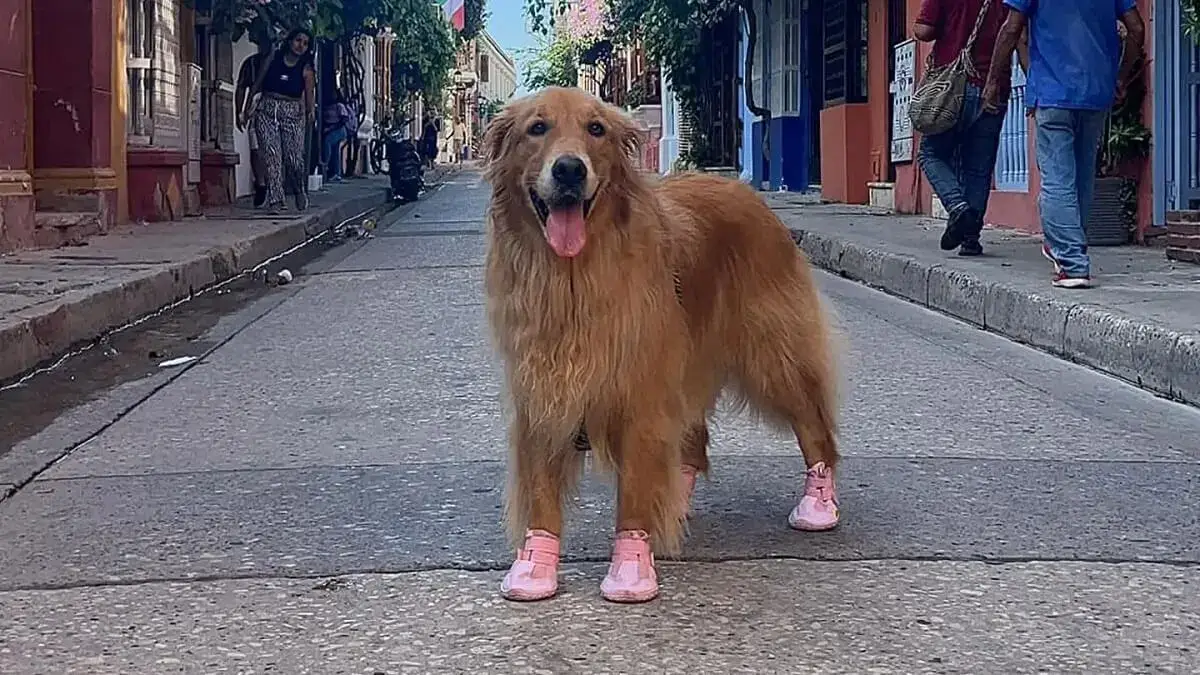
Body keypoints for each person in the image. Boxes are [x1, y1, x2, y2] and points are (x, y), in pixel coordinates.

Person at [985, 0, 1144, 288]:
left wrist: (995, 80)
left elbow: (1011, 30)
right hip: (1095, 92)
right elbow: (1136, 28)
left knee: (1057, 179)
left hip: (1052, 92)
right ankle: (1069, 248)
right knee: (1083, 177)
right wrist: (1120, 76)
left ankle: (1071, 261)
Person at [913, 0, 1009, 257]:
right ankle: (970, 238)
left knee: (931, 153)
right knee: (979, 167)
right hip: (994, 86)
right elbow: (1017, 34)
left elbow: (922, 30)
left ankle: (957, 207)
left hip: (953, 87)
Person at [239, 28, 316, 214]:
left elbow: (309, 94)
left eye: (305, 43)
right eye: (298, 40)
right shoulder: (273, 59)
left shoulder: (306, 68)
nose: (301, 46)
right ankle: (276, 200)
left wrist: (309, 113)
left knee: (294, 158)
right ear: (290, 41)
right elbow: (257, 83)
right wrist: (247, 107)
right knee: (272, 155)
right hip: (267, 109)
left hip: (292, 113)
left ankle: (298, 189)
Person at [234, 39, 273, 208]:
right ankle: (261, 184)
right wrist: (239, 111)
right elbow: (241, 87)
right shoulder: (251, 64)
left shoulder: (282, 64)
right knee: (256, 150)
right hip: (257, 110)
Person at [321, 92, 352, 182]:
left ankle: (325, 164)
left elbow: (344, 119)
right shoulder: (327, 106)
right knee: (335, 151)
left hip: (339, 130)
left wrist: (331, 128)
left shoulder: (339, 106)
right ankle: (336, 173)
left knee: (328, 142)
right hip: (333, 129)